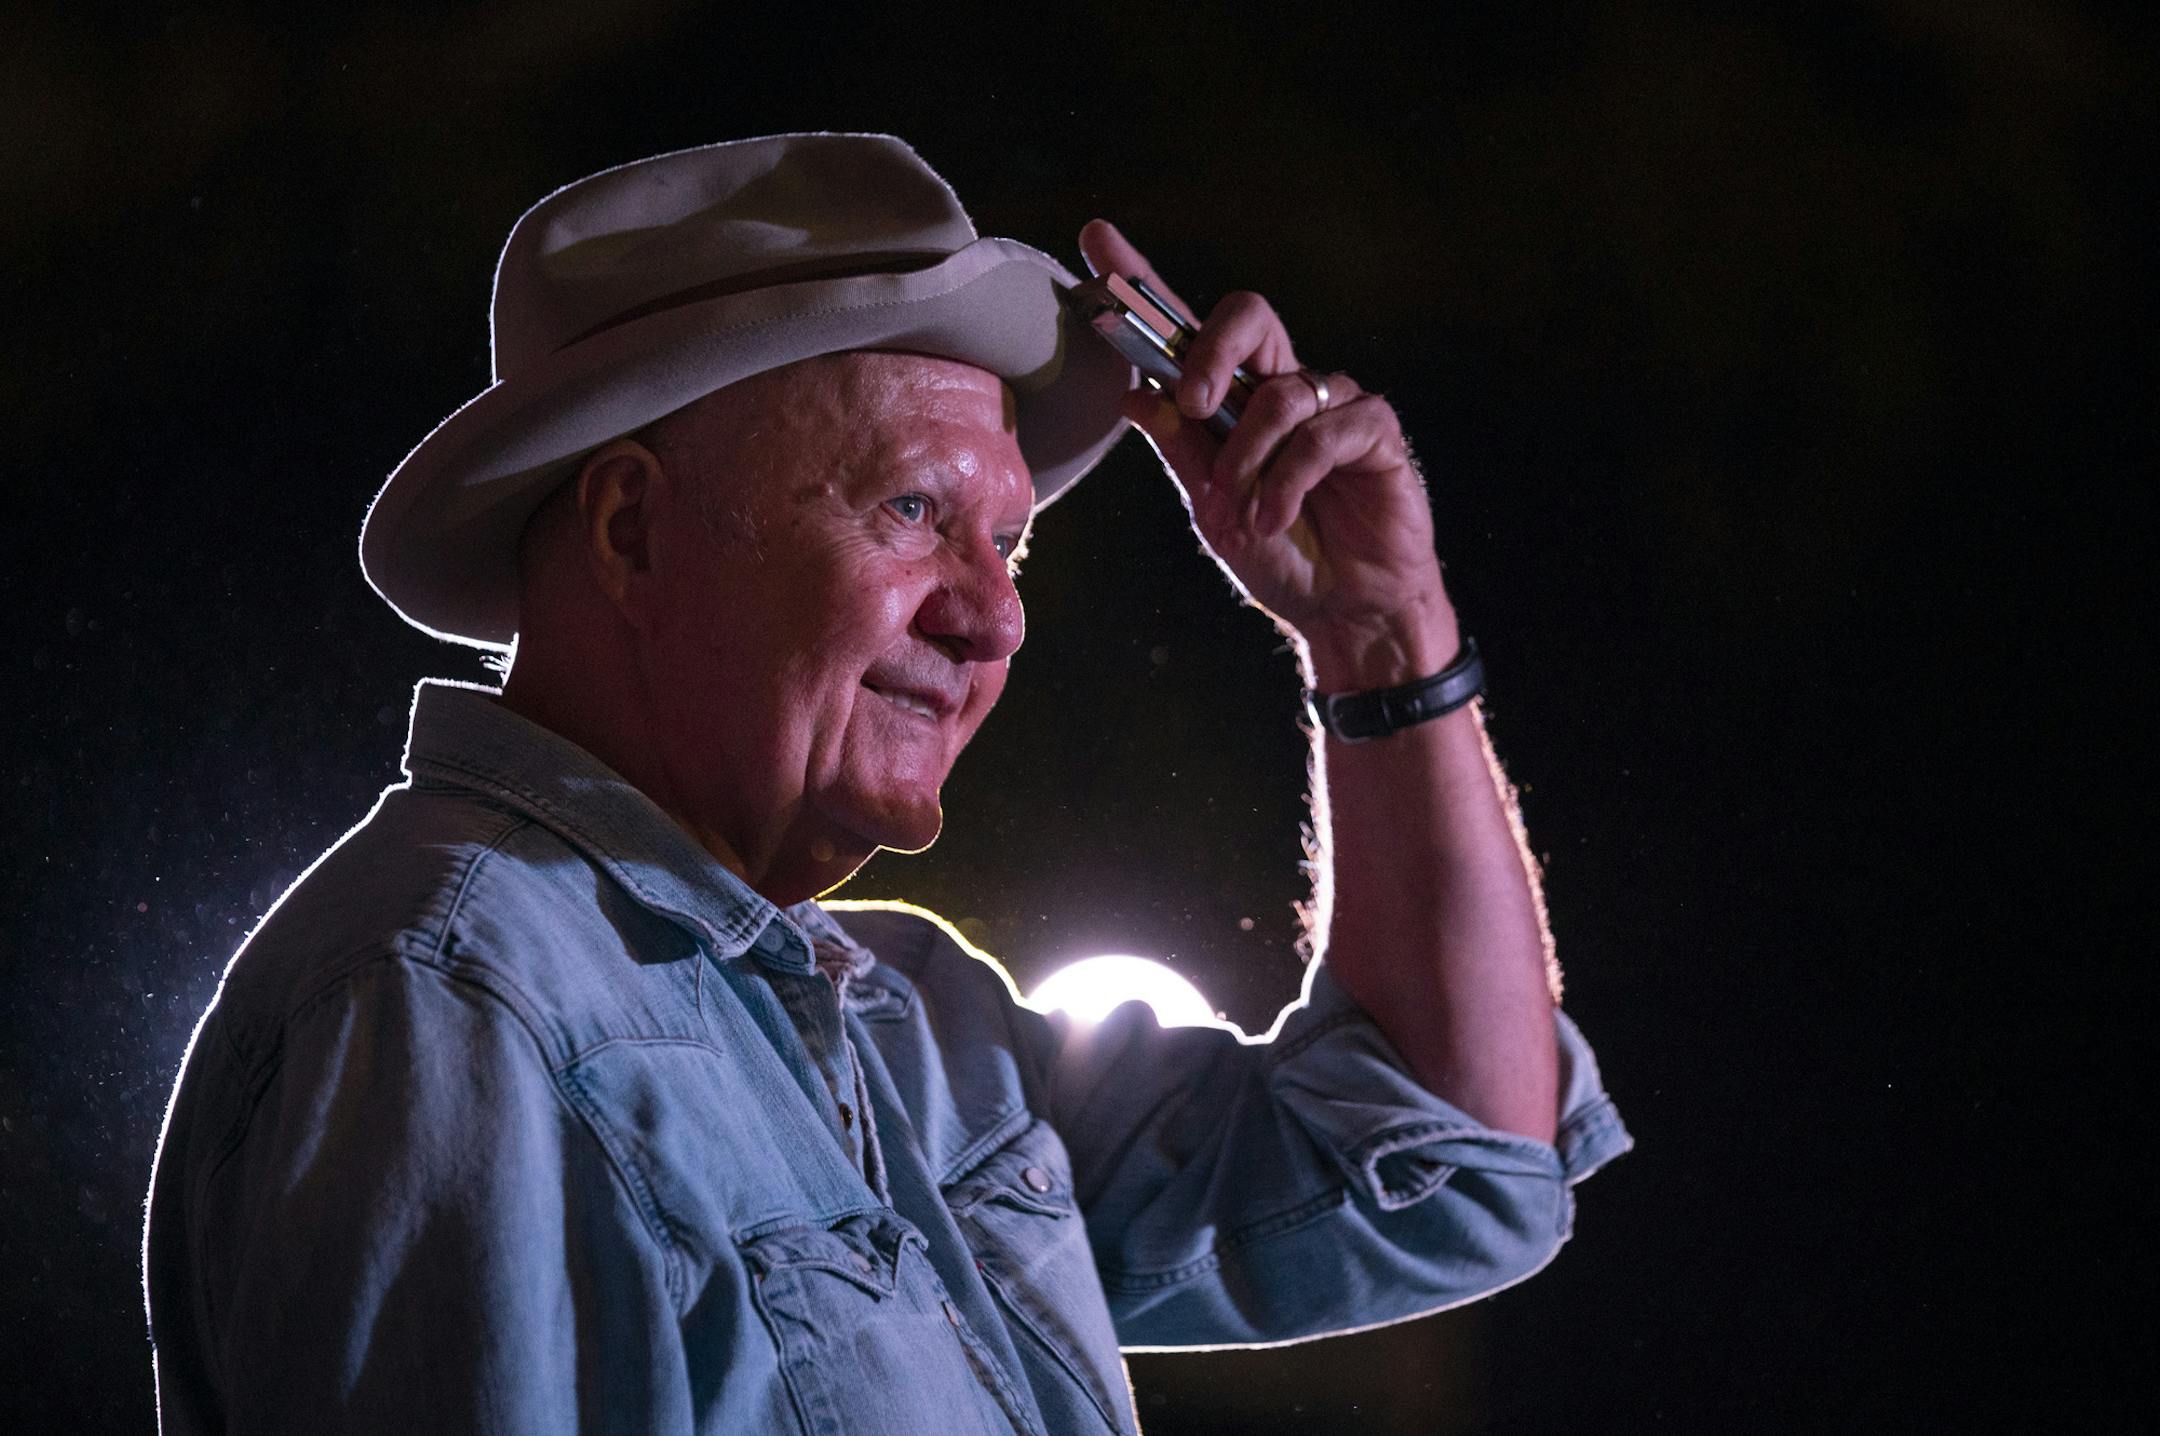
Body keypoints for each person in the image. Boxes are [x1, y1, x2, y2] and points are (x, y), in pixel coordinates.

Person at [143, 133, 1629, 1435]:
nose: (992, 616)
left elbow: (1456, 1172)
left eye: (1012, 547)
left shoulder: (916, 1030)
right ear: (632, 534)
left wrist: (1381, 637)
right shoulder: (451, 1000)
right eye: (914, 511)